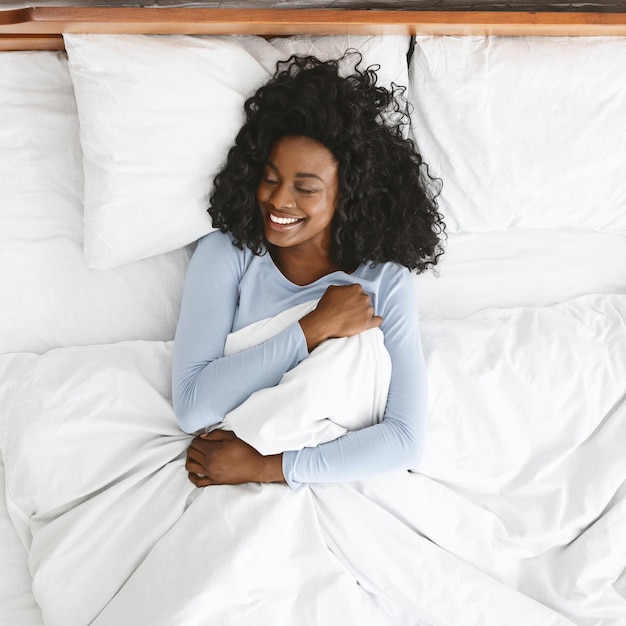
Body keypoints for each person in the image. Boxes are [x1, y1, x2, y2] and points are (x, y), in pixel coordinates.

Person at [172, 54, 445, 489]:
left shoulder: (385, 282)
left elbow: (404, 439)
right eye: (271, 178)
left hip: (316, 475)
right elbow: (191, 405)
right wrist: (313, 328)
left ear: (347, 195)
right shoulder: (229, 252)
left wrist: (265, 467)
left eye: (305, 188)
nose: (279, 201)